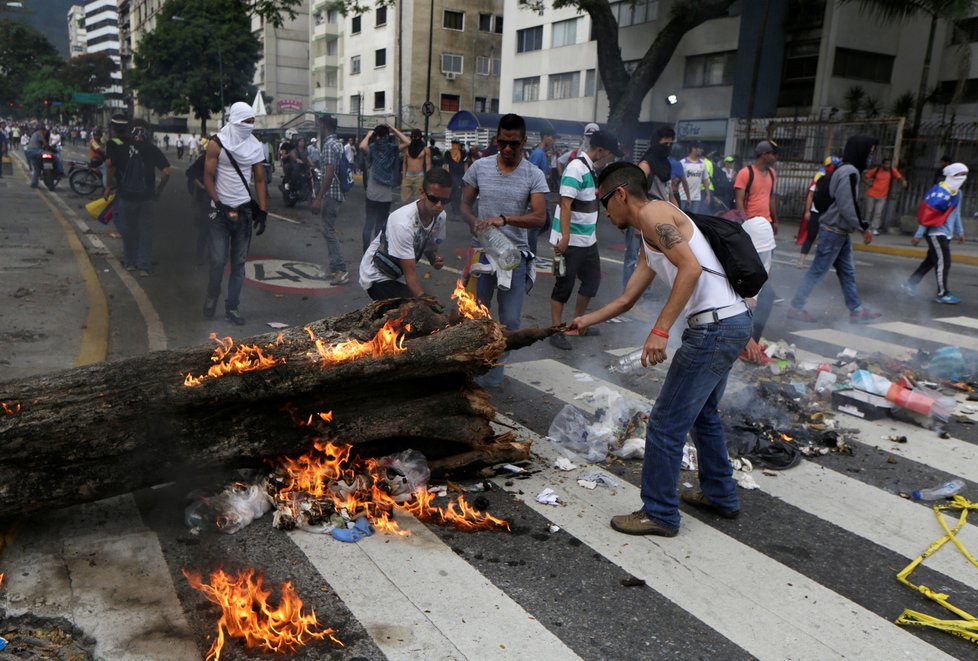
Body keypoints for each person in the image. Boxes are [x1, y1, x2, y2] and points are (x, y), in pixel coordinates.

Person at [569, 162, 750, 537]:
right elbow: (626, 299)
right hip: (732, 322)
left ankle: (661, 513)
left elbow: (691, 269)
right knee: (704, 415)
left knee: (666, 425)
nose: (604, 212)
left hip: (715, 328)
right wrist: (586, 320)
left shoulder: (653, 213)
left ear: (621, 194)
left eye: (604, 201)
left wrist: (661, 331)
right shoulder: (648, 233)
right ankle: (721, 495)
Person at [461, 113, 549, 388]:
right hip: (484, 253)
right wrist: (475, 221)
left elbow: (539, 217)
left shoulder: (534, 174)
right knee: (477, 315)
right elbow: (463, 205)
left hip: (515, 255)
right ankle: (475, 371)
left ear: (524, 141)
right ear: (496, 140)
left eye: (514, 143)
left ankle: (495, 374)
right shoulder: (480, 167)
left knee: (510, 320)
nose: (508, 149)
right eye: (502, 142)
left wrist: (505, 219)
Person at [788, 135, 881, 324]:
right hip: (833, 231)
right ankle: (796, 307)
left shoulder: (845, 170)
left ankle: (856, 310)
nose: (870, 157)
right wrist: (863, 227)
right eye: (869, 152)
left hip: (840, 231)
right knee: (818, 271)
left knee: (847, 271)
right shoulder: (849, 172)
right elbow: (848, 205)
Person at [548, 130, 622, 350]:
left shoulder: (591, 168)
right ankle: (557, 330)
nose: (611, 158)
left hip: (588, 239)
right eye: (610, 154)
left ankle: (577, 324)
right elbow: (566, 204)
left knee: (592, 282)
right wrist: (565, 237)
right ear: (601, 150)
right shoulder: (576, 168)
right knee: (564, 286)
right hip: (571, 240)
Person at [202, 102, 268, 324]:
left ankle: (233, 307)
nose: (250, 126)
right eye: (246, 121)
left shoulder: (255, 146)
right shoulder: (216, 143)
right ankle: (212, 295)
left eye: (253, 121)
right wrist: (217, 202)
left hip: (244, 213)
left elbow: (259, 179)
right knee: (218, 260)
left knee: (239, 264)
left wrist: (264, 211)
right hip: (220, 213)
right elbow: (207, 177)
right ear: (235, 120)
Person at [360, 168, 449, 300]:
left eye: (445, 200)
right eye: (434, 199)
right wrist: (426, 301)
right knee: (413, 311)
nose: (439, 206)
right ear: (422, 193)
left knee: (414, 307)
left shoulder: (440, 217)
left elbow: (429, 246)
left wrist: (434, 258)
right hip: (377, 275)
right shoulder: (402, 223)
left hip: (399, 274)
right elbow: (411, 275)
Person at [104, 119, 171, 276]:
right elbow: (167, 172)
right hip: (147, 197)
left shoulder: (122, 148)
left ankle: (130, 263)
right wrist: (159, 190)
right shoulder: (152, 149)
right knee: (145, 231)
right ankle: (144, 266)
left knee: (128, 230)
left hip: (126, 196)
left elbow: (111, 167)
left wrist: (108, 187)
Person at [902, 163, 967, 304]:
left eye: (964, 174)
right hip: (936, 233)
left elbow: (957, 213)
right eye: (960, 174)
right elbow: (927, 214)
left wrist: (960, 231)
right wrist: (919, 234)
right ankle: (942, 293)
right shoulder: (939, 191)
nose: (963, 177)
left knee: (930, 261)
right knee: (944, 262)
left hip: (947, 233)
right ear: (952, 175)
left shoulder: (958, 193)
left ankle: (910, 283)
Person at [311, 115, 350, 286]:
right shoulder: (339, 144)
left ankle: (340, 270)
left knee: (329, 231)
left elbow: (329, 172)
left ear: (324, 126)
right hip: (338, 192)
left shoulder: (328, 145)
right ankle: (334, 269)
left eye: (319, 125)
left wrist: (319, 197)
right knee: (328, 231)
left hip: (331, 194)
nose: (318, 127)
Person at [360, 123, 410, 251]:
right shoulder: (392, 149)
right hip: (386, 196)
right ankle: (375, 250)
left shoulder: (372, 148)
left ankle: (366, 250)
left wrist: (369, 135)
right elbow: (407, 142)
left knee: (368, 223)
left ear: (376, 136)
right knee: (380, 225)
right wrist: (394, 129)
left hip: (372, 193)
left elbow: (362, 146)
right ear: (387, 135)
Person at [795, 157, 840, 268]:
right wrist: (807, 211)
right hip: (816, 212)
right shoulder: (820, 176)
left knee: (825, 239)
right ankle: (801, 261)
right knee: (811, 236)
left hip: (829, 213)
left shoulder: (836, 177)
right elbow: (810, 194)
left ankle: (821, 263)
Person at [528, 129, 555, 263]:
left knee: (546, 223)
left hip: (544, 193)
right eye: (552, 137)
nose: (553, 141)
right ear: (545, 137)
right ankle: (531, 255)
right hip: (538, 195)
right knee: (536, 226)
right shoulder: (537, 154)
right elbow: (530, 173)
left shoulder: (543, 154)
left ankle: (528, 245)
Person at [863, 157, 907, 234]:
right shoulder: (876, 170)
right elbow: (865, 176)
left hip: (883, 195)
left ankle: (874, 228)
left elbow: (900, 177)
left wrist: (903, 181)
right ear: (882, 164)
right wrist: (868, 183)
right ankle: (866, 227)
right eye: (886, 164)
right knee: (869, 211)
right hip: (872, 194)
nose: (887, 165)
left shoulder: (892, 171)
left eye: (889, 164)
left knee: (878, 213)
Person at [678, 142, 710, 213]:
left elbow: (705, 179)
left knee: (694, 218)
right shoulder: (683, 162)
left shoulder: (702, 163)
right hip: (682, 196)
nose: (701, 150)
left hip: (696, 198)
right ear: (693, 149)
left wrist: (708, 195)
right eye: (700, 148)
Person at [401, 129, 430, 204]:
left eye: (416, 137)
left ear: (420, 137)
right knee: (404, 200)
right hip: (408, 176)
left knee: (419, 200)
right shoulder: (407, 148)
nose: (414, 138)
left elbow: (428, 164)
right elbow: (404, 163)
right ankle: (405, 215)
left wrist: (427, 178)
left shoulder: (425, 149)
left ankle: (417, 215)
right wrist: (404, 176)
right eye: (412, 137)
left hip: (419, 177)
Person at [444, 138, 467, 221]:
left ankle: (456, 212)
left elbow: (465, 165)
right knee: (454, 194)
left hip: (460, 175)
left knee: (458, 194)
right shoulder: (448, 153)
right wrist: (447, 177)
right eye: (453, 143)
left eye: (456, 143)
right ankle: (455, 212)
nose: (455, 145)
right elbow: (446, 166)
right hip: (452, 175)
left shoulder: (463, 153)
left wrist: (466, 177)